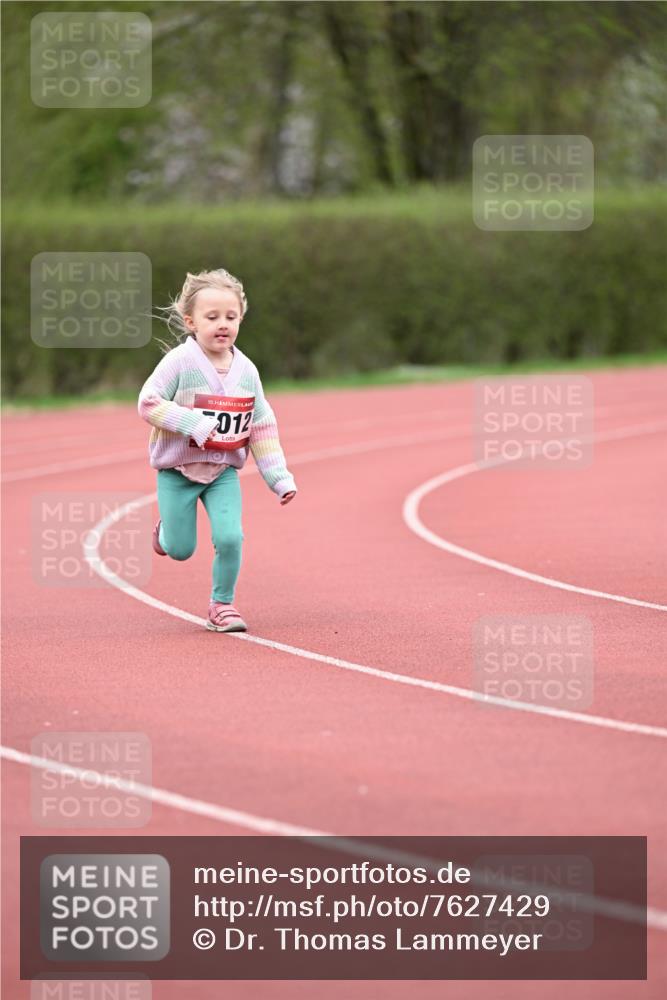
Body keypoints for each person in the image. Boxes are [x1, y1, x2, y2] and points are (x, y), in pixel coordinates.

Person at [138, 267, 297, 633]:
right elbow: (147, 403)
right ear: (191, 321)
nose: (222, 324)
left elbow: (261, 424)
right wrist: (191, 422)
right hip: (178, 473)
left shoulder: (247, 371)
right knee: (180, 549)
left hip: (222, 473)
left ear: (241, 318)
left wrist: (278, 477)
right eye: (212, 317)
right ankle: (164, 533)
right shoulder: (180, 362)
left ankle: (221, 605)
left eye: (231, 316)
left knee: (230, 537)